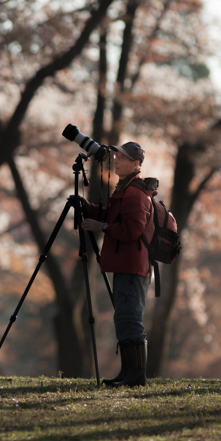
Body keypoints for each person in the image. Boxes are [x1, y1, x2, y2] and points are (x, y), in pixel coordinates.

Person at [80, 141, 152, 387]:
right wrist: (87, 208)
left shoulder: (135, 194)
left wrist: (100, 227)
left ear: (135, 164)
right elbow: (112, 218)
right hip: (125, 264)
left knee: (130, 318)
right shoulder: (124, 189)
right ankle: (127, 373)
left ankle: (136, 377)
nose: (116, 161)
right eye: (117, 157)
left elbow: (132, 230)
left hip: (133, 265)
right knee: (123, 317)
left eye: (122, 158)